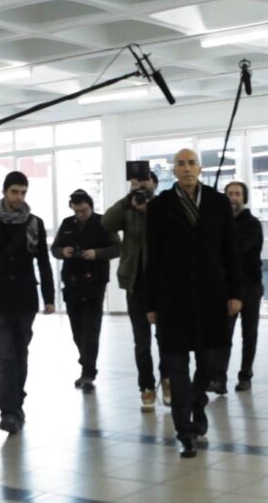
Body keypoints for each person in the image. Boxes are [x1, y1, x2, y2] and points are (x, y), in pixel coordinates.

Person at [147, 149, 241, 458]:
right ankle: (184, 431)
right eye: (180, 164)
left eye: (191, 163)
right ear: (173, 170)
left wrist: (235, 293)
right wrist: (150, 302)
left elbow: (231, 251)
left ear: (200, 168)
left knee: (208, 364)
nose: (186, 169)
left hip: (210, 296)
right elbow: (153, 256)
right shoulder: (160, 207)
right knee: (176, 366)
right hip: (172, 298)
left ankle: (197, 403)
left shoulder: (217, 203)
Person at [0, 171, 55, 434]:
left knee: (21, 355)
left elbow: (44, 263)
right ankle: (8, 412)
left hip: (25, 300)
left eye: (23, 192)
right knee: (6, 357)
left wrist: (49, 298)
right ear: (4, 192)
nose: (19, 197)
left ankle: (17, 401)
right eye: (15, 192)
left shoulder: (34, 224)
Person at [101, 170, 170, 412]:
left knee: (165, 337)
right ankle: (147, 387)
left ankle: (168, 379)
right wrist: (126, 200)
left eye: (145, 181)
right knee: (141, 341)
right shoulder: (128, 207)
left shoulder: (164, 205)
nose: (141, 185)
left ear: (155, 183)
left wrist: (149, 209)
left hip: (162, 282)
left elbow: (171, 228)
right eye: (137, 182)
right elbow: (106, 223)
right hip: (135, 283)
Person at [50, 189, 120, 393]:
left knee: (90, 328)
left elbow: (117, 248)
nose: (81, 214)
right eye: (77, 211)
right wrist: (63, 252)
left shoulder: (103, 222)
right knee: (77, 330)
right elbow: (54, 249)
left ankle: (88, 372)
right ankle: (86, 362)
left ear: (91, 206)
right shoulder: (67, 224)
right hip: (72, 282)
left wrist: (96, 253)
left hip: (94, 283)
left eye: (84, 210)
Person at [211, 182, 264, 394]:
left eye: (237, 194)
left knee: (249, 333)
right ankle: (219, 378)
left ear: (244, 198)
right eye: (230, 194)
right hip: (226, 287)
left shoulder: (252, 224)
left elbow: (238, 247)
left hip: (249, 286)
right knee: (225, 333)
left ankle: (245, 376)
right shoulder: (219, 223)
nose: (233, 198)